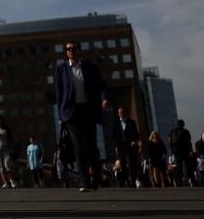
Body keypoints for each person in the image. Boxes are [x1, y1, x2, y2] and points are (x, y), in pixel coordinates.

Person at [54, 41, 110, 192]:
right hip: (71, 113)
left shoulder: (90, 68)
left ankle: (96, 176)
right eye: (68, 49)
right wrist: (61, 115)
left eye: (73, 48)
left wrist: (104, 99)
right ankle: (84, 181)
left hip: (88, 110)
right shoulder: (61, 69)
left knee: (91, 146)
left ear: (79, 50)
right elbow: (59, 94)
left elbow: (101, 86)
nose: (70, 51)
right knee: (78, 147)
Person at [114, 106, 140, 189]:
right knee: (123, 163)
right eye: (120, 112)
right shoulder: (116, 123)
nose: (121, 113)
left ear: (125, 113)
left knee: (132, 164)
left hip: (130, 145)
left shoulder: (131, 122)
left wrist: (134, 141)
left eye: (122, 112)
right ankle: (126, 180)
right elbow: (114, 136)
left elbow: (136, 133)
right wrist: (116, 146)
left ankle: (132, 180)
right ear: (118, 114)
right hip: (121, 146)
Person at [0, 115, 17, 188]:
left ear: (2, 120)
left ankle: (12, 181)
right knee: (1, 167)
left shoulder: (6, 128)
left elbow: (11, 139)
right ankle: (6, 183)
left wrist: (13, 147)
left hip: (6, 148)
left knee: (7, 164)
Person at [167, 120, 193, 187]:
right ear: (183, 124)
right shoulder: (186, 131)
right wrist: (191, 150)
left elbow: (169, 140)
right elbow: (189, 142)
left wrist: (172, 149)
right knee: (187, 166)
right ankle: (190, 180)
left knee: (179, 166)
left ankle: (179, 182)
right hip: (185, 150)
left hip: (177, 151)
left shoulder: (172, 131)